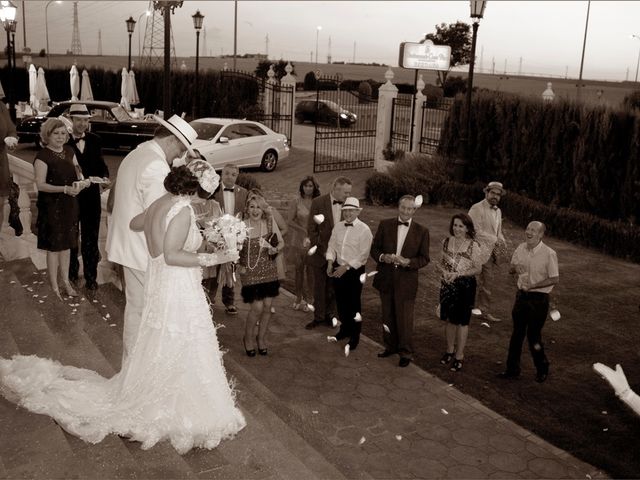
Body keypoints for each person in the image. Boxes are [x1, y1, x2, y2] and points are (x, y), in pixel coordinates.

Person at [0, 161, 246, 455]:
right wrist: (216, 258)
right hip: (177, 286)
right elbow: (171, 254)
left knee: (163, 340)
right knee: (182, 339)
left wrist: (190, 230)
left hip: (160, 282)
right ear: (199, 190)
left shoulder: (161, 203)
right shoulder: (182, 210)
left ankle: (159, 391)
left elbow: (135, 225)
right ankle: (178, 404)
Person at [106, 114, 198, 362]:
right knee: (152, 314)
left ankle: (132, 369)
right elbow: (161, 216)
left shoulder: (137, 153)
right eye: (180, 149)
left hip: (128, 245)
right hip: (143, 251)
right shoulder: (155, 165)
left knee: (136, 310)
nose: (178, 156)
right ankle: (143, 371)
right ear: (170, 140)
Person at [370, 195, 430, 367]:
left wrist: (409, 262)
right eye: (403, 207)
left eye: (409, 209)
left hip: (406, 282)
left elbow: (425, 258)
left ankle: (405, 352)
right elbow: (374, 248)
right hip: (386, 279)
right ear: (398, 207)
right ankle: (390, 346)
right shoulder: (385, 224)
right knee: (387, 316)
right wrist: (382, 257)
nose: (405, 211)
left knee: (404, 319)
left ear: (414, 210)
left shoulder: (422, 231)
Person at [34, 118, 90, 299]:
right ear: (47, 135)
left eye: (63, 133)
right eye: (55, 133)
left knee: (67, 246)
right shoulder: (42, 156)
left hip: (69, 205)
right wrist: (64, 189)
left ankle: (65, 282)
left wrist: (82, 182)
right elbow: (41, 185)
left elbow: (78, 172)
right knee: (54, 247)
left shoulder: (69, 150)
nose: (60, 137)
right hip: (51, 206)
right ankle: (54, 286)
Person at [498, 221, 559, 383]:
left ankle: (542, 367)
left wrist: (534, 285)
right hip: (522, 297)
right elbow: (511, 269)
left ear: (540, 235)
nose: (529, 232)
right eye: (528, 229)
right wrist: (514, 269)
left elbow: (554, 278)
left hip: (539, 300)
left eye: (533, 230)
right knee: (517, 334)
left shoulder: (549, 253)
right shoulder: (520, 248)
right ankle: (512, 369)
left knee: (533, 336)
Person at [67, 104, 109, 291]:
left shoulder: (95, 139)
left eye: (85, 120)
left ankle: (91, 277)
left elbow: (100, 163)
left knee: (91, 237)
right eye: (79, 120)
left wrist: (105, 175)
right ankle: (71, 273)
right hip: (71, 196)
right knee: (72, 236)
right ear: (71, 120)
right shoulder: (62, 140)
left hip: (91, 196)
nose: (82, 124)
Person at [238, 190, 284, 356]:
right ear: (247, 209)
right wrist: (238, 263)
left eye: (258, 207)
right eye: (252, 207)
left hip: (268, 269)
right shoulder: (241, 226)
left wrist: (274, 249)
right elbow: (233, 249)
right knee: (257, 307)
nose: (255, 210)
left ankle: (261, 338)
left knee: (267, 307)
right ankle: (248, 338)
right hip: (249, 270)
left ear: (263, 209)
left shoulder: (269, 223)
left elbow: (281, 244)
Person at [325, 197, 373, 357]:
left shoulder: (364, 230)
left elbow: (363, 256)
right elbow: (331, 245)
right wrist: (330, 262)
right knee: (341, 301)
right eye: (345, 210)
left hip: (354, 271)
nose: (348, 213)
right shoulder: (338, 227)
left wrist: (345, 268)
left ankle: (355, 336)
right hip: (338, 267)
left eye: (351, 210)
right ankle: (344, 329)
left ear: (357, 212)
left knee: (353, 304)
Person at [305, 176, 352, 329]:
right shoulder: (318, 202)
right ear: (335, 189)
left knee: (333, 288)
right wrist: (322, 250)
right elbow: (312, 229)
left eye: (349, 193)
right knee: (319, 287)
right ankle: (318, 317)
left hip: (339, 255)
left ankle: (330, 315)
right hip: (320, 254)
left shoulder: (349, 205)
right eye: (345, 192)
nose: (348, 196)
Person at [437, 213, 482, 372]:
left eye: (461, 226)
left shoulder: (473, 245)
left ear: (467, 228)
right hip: (448, 284)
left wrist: (458, 274)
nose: (457, 229)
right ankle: (449, 350)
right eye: (455, 225)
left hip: (466, 286)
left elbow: (478, 268)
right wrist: (444, 273)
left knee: (462, 321)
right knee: (450, 319)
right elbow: (440, 264)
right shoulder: (446, 242)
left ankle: (459, 355)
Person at [211, 164, 248, 315]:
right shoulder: (213, 191)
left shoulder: (243, 192)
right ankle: (209, 297)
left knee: (230, 269)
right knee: (214, 267)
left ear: (237, 176)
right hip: (216, 234)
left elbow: (244, 214)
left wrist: (240, 233)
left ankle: (229, 301)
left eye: (233, 174)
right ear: (221, 174)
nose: (229, 177)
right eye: (226, 173)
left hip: (234, 236)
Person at [468, 181, 507, 322]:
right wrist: (494, 239)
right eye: (493, 193)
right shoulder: (476, 208)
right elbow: (474, 231)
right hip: (476, 251)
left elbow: (498, 231)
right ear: (486, 192)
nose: (495, 196)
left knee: (487, 284)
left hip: (490, 254)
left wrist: (502, 240)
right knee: (471, 282)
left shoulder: (499, 211)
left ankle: (483, 311)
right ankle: (464, 309)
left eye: (498, 194)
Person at [287, 175, 320, 312]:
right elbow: (289, 221)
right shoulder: (296, 201)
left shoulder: (318, 202)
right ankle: (298, 298)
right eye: (306, 186)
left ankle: (310, 300)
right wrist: (303, 230)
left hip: (313, 241)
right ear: (302, 187)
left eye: (310, 186)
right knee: (299, 270)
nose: (308, 188)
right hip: (298, 241)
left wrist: (312, 234)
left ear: (314, 187)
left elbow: (322, 221)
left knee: (311, 271)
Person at [0, 101, 18, 235]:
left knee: (0, 204)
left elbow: (11, 128)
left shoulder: (0, 106)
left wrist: (12, 138)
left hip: (0, 163)